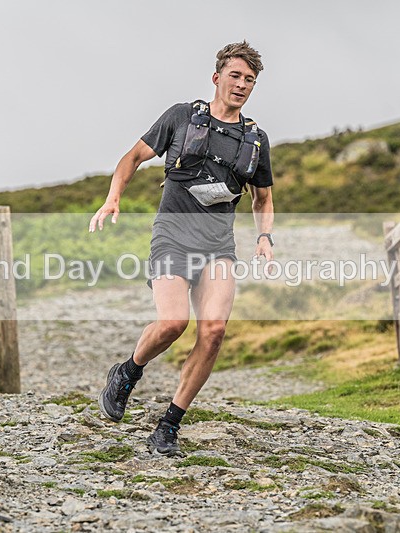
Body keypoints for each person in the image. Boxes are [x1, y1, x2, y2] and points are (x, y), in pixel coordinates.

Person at [89, 41, 274, 456]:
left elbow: (263, 200)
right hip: (173, 237)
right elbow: (133, 157)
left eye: (249, 80)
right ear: (217, 77)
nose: (241, 85)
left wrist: (264, 237)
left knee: (213, 331)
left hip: (218, 247)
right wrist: (113, 196)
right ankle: (127, 373)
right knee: (173, 323)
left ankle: (168, 426)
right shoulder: (182, 118)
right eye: (235, 76)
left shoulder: (256, 141)